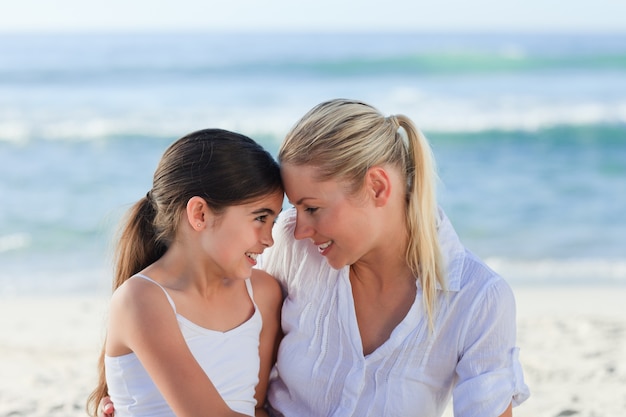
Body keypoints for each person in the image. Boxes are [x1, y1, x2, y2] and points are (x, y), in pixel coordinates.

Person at [99, 99, 530, 417]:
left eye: (312, 207)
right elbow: (227, 357)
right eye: (290, 209)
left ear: (378, 187)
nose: (295, 227)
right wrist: (122, 391)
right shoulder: (291, 246)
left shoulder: (478, 298)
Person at [87, 128, 284, 417]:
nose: (269, 239)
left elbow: (256, 407)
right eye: (260, 218)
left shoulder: (264, 295)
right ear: (199, 214)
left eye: (274, 220)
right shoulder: (142, 300)